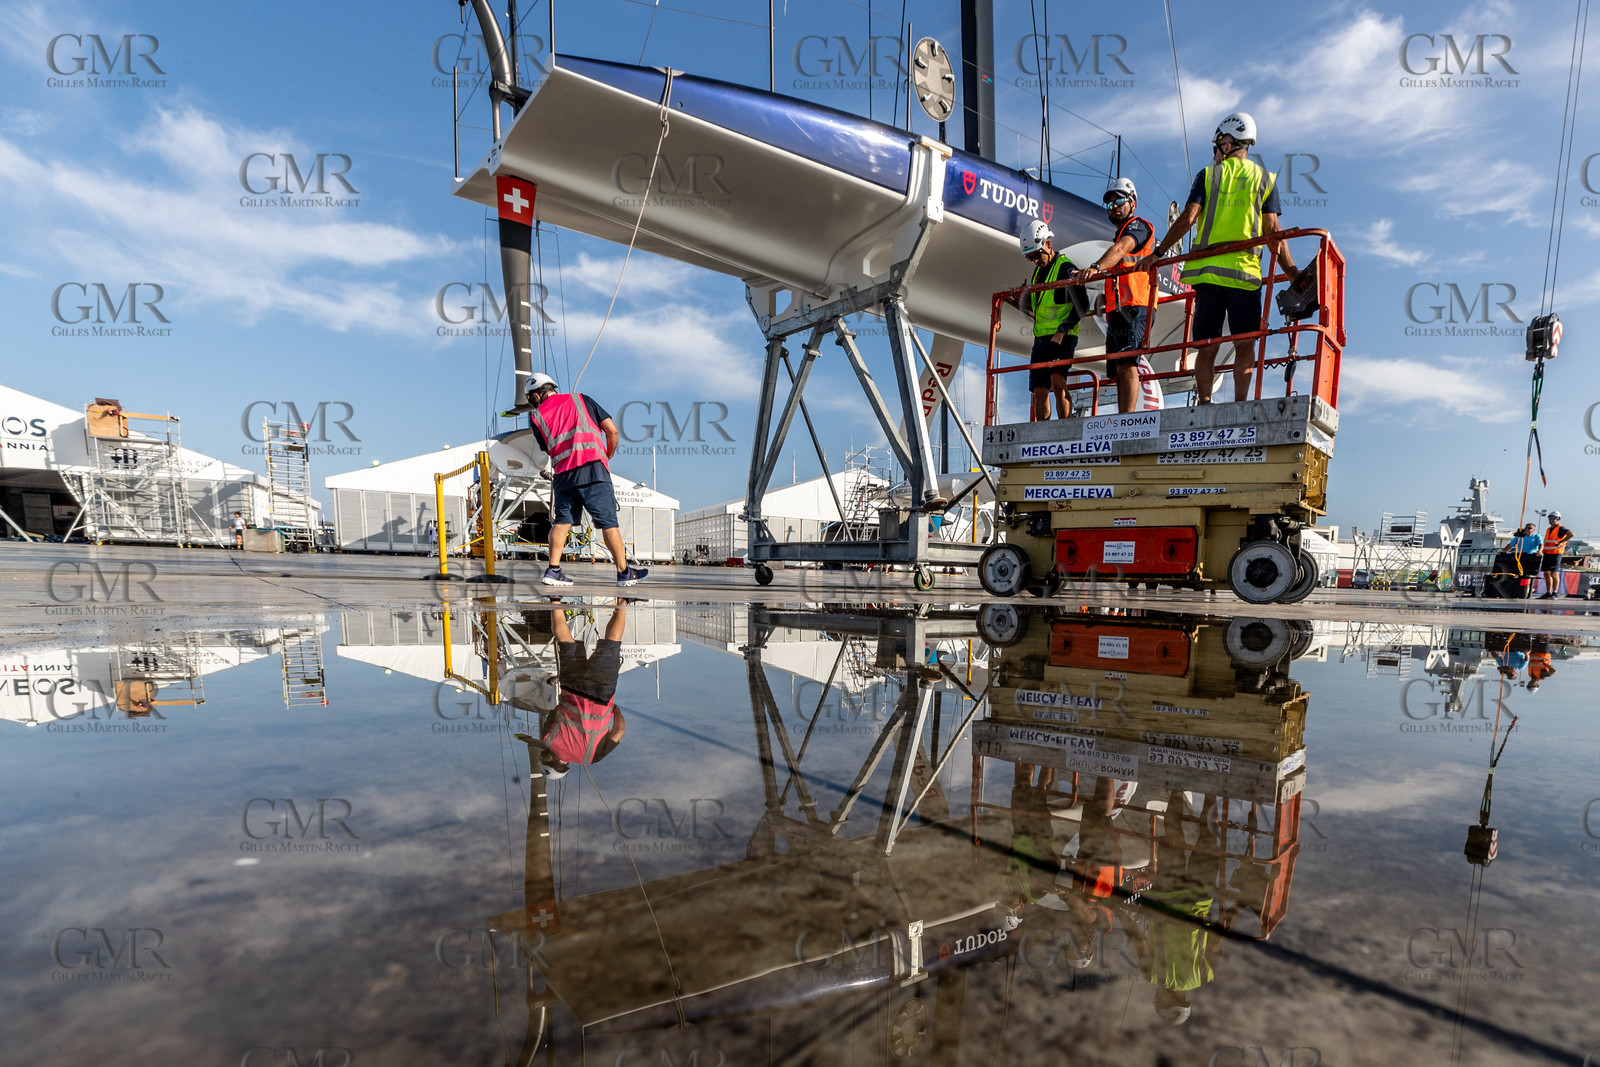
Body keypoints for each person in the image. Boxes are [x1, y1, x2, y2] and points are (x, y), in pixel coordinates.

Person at [1141, 112, 1299, 404]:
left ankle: (1204, 402)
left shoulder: (1208, 175)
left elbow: (1188, 218)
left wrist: (1158, 254)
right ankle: (1240, 403)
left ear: (1229, 143)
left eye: (1218, 144)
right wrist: (1293, 275)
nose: (1215, 151)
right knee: (1245, 343)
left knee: (1206, 345)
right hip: (1244, 275)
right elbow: (1273, 230)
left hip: (1207, 275)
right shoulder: (1265, 179)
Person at [524, 372, 648, 588]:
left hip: (563, 475)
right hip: (593, 470)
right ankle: (624, 573)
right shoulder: (581, 399)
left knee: (562, 522)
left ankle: (553, 571)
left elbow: (548, 448)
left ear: (536, 394)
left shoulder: (536, 418)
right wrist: (607, 454)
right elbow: (612, 431)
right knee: (608, 523)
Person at [1069, 177, 1156, 413]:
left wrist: (1096, 268)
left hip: (1136, 305)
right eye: (1109, 204)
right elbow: (1121, 268)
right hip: (1119, 308)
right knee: (1117, 367)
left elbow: (1121, 251)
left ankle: (1126, 419)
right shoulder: (1119, 236)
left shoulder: (1139, 226)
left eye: (1118, 200)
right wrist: (1104, 297)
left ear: (1133, 203)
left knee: (1127, 362)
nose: (1114, 206)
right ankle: (1121, 418)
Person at [514, 602, 629, 777]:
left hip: (600, 693)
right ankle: (555, 601)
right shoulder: (547, 739)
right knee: (566, 642)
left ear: (563, 766)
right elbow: (555, 712)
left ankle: (623, 602)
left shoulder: (594, 757)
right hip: (572, 688)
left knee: (611, 644)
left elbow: (619, 730)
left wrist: (615, 710)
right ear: (546, 759)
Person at [1011, 220, 1082, 420]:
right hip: (1041, 339)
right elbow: (1039, 307)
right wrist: (1022, 303)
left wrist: (1062, 331)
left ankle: (1065, 427)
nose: (1034, 260)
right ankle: (1041, 433)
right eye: (1029, 257)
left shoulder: (1065, 267)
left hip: (1062, 336)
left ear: (1048, 244)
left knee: (1058, 380)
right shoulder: (1038, 273)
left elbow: (1082, 303)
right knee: (1039, 388)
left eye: (1036, 254)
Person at [1538, 511, 1573, 598]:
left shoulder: (1561, 528)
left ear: (1558, 519)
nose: (1551, 520)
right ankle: (1548, 592)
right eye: (1550, 518)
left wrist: (1561, 541)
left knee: (1554, 573)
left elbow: (1571, 534)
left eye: (1553, 518)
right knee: (1546, 573)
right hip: (1547, 553)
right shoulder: (1548, 529)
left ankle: (1555, 592)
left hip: (1556, 553)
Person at [1509, 523, 1542, 599]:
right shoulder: (1520, 537)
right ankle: (1517, 590)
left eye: (1529, 528)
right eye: (1526, 528)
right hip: (1521, 556)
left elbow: (1540, 544)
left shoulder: (1536, 536)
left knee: (1528, 574)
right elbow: (1510, 544)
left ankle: (1526, 590)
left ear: (1533, 530)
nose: (1527, 529)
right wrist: (1503, 551)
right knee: (1517, 573)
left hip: (1531, 557)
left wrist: (1540, 551)